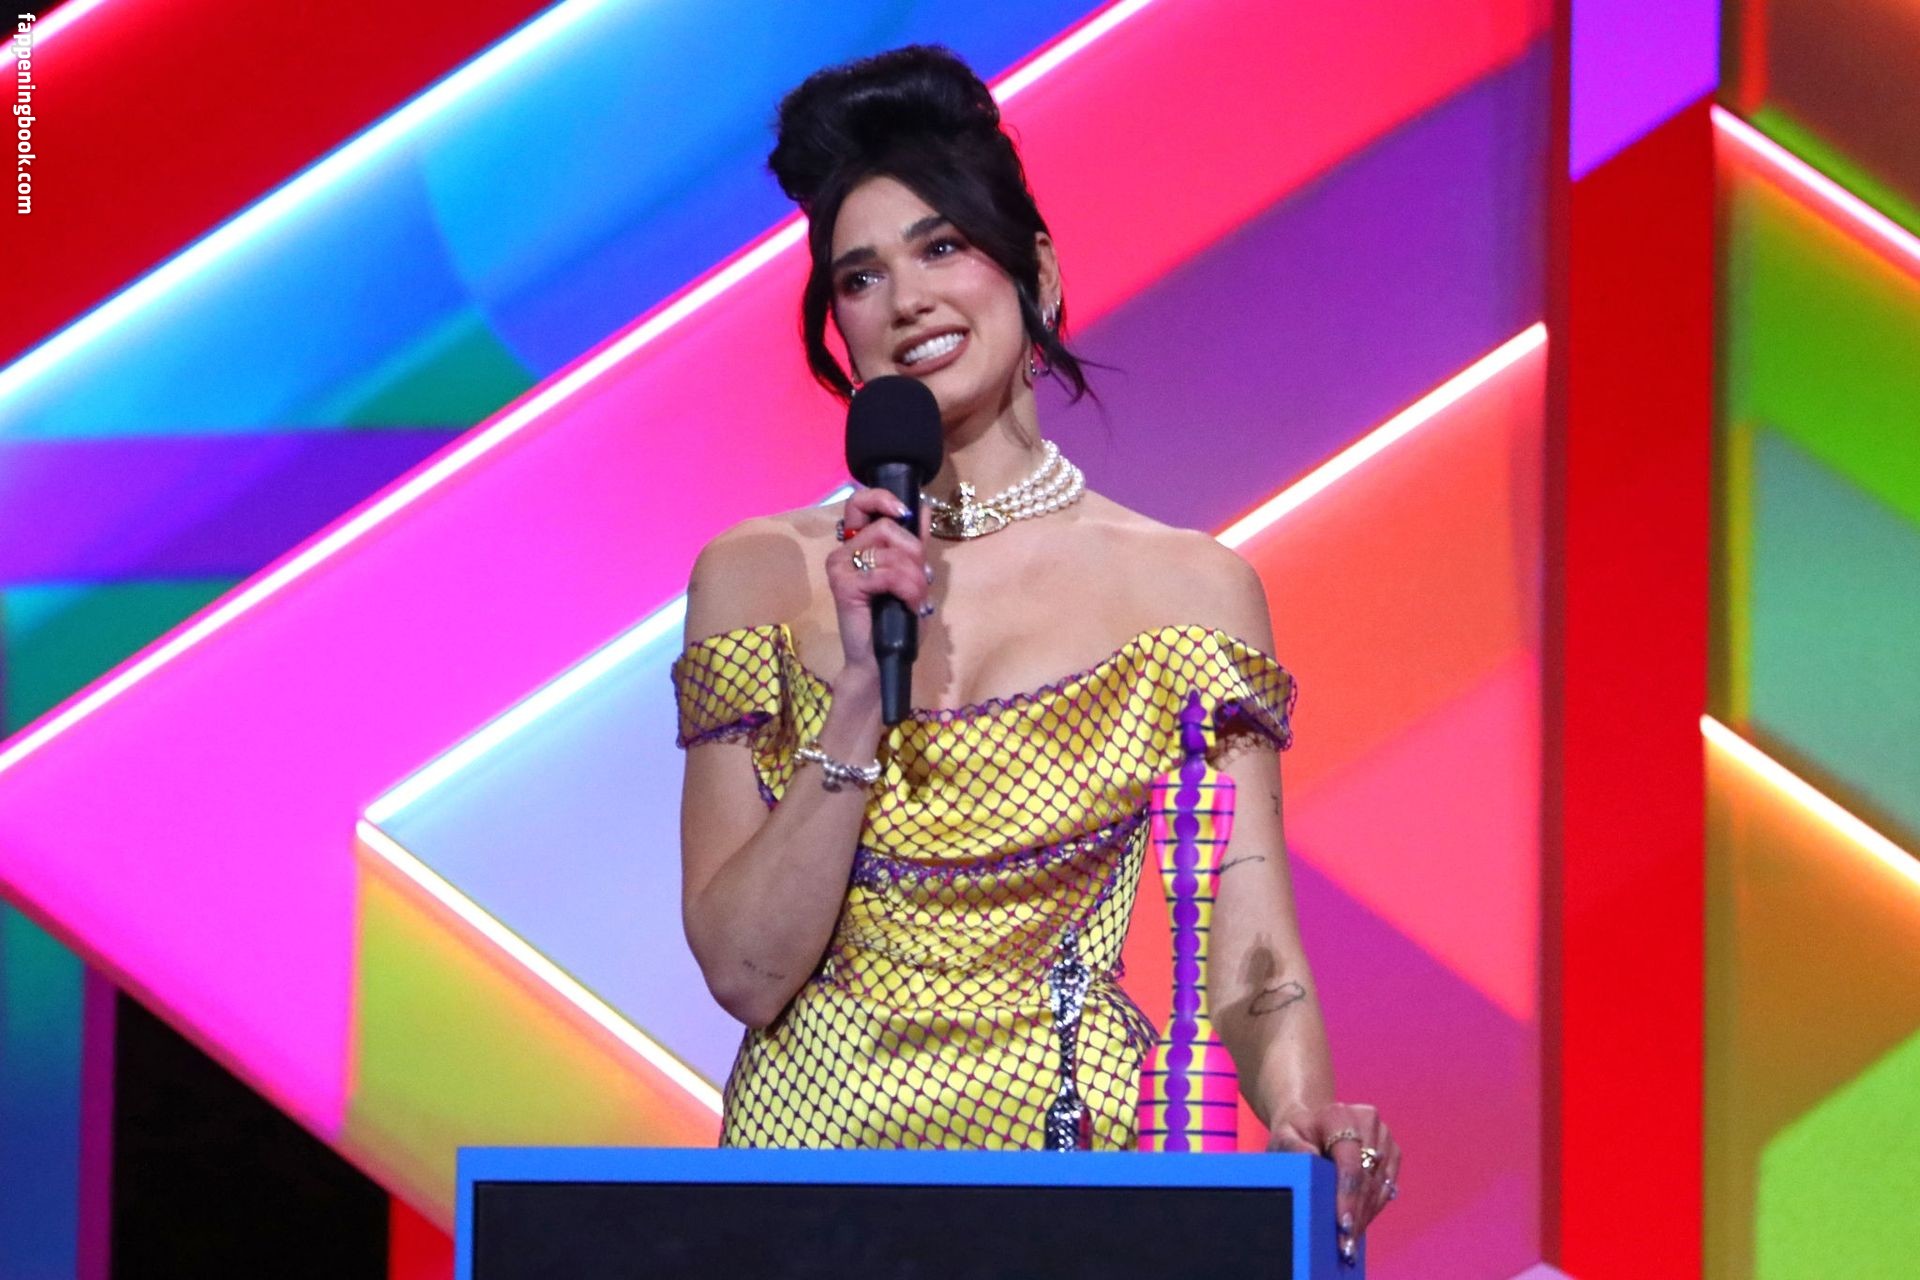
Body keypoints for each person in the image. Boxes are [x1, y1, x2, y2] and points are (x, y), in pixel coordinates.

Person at [672, 44, 1399, 1253]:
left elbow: (1249, 949)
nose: (906, 299)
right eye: (860, 276)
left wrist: (1300, 1107)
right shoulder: (759, 578)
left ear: (1038, 275)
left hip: (1075, 1190)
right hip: (809, 1197)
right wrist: (858, 695)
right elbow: (746, 970)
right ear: (838, 327)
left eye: (942, 246)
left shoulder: (1184, 590)